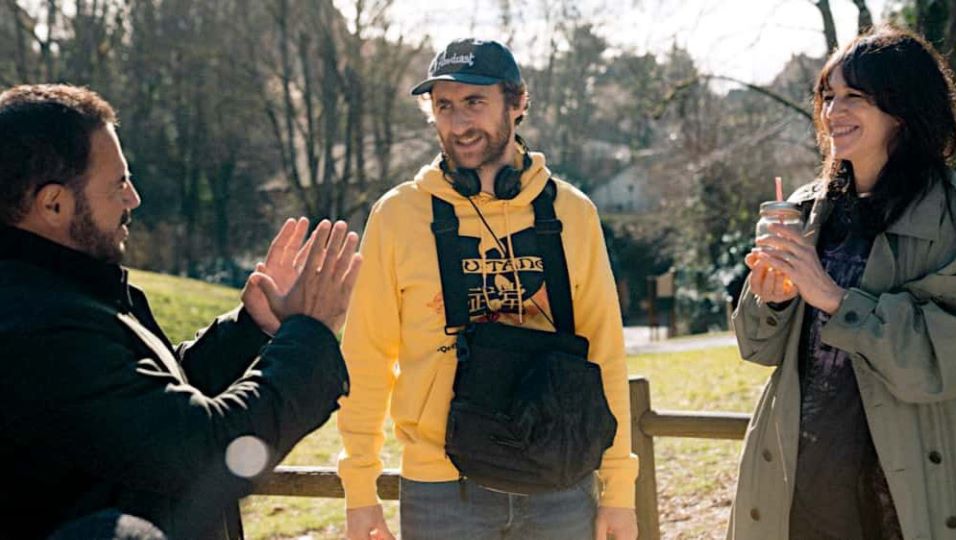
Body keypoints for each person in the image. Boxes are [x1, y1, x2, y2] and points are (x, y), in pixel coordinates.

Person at [0, 84, 362, 539]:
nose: (134, 199)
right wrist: (309, 335)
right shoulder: (35, 326)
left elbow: (151, 408)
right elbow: (208, 454)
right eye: (118, 185)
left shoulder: (61, 293)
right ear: (54, 204)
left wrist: (254, 327)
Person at [336, 38, 638, 540]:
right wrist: (360, 492)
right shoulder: (397, 216)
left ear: (517, 103)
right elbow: (365, 358)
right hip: (440, 491)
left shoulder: (573, 213)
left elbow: (605, 353)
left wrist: (619, 491)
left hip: (561, 483)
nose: (458, 123)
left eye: (474, 102)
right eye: (444, 106)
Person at [729, 26, 956, 540]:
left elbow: (945, 357)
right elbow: (756, 347)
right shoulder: (806, 211)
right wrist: (772, 302)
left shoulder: (951, 217)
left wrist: (831, 297)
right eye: (828, 97)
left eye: (854, 97)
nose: (833, 113)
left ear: (902, 106)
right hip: (799, 481)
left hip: (907, 493)